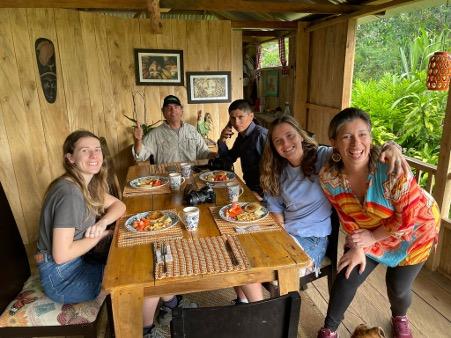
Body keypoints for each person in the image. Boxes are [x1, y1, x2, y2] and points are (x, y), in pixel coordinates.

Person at [317, 108, 440, 338]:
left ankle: (399, 317)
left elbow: (408, 218)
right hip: (369, 230)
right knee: (347, 274)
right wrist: (357, 247)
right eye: (346, 136)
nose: (356, 144)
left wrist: (372, 238)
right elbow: (346, 216)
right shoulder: (330, 178)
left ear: (371, 138)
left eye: (362, 135)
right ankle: (329, 329)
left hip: (415, 231)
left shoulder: (392, 170)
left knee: (398, 287)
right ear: (334, 142)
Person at [35, 130, 163, 338]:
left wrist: (103, 222)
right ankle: (143, 330)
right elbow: (61, 255)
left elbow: (119, 206)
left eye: (97, 150)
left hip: (77, 262)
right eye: (85, 151)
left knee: (137, 261)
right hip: (62, 277)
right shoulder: (69, 194)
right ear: (70, 158)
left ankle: (168, 302)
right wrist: (98, 235)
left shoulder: (85, 183)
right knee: (140, 282)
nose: (94, 156)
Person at [260, 115, 407, 277]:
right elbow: (276, 214)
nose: (286, 144)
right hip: (288, 234)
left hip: (313, 238)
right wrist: (280, 239)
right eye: (278, 141)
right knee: (253, 263)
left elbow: (357, 149)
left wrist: (392, 147)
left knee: (277, 273)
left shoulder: (323, 156)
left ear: (301, 135)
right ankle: (248, 300)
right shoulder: (274, 172)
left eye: (290, 136)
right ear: (273, 147)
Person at [133, 95, 212, 164]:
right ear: (163, 111)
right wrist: (138, 140)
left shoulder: (192, 130)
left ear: (181, 110)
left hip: (191, 175)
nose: (173, 110)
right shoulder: (155, 134)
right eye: (168, 108)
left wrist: (216, 155)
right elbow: (140, 156)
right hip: (166, 178)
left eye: (176, 107)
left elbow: (204, 152)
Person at [217, 99, 268, 198]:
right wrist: (222, 140)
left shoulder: (261, 135)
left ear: (251, 116)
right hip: (250, 187)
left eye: (241, 117)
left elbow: (274, 170)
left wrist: (262, 194)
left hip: (264, 192)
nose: (236, 122)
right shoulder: (242, 136)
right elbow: (228, 160)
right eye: (233, 118)